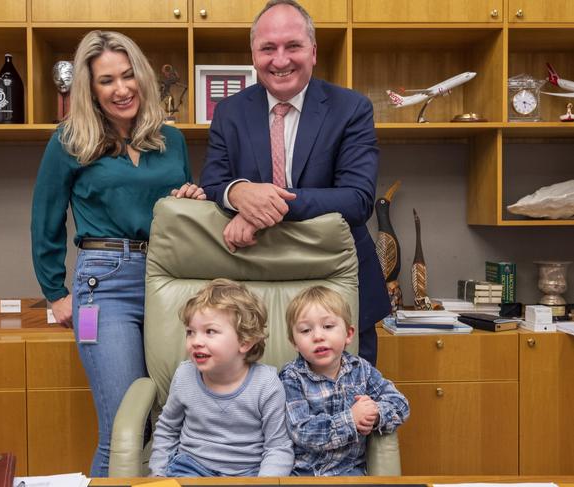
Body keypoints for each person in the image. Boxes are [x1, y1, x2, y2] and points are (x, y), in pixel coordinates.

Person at [30, 30, 205, 477]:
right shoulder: (69, 139)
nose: (121, 89)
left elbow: (177, 216)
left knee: (173, 422)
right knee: (124, 429)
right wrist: (55, 292)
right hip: (103, 283)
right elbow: (45, 218)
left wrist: (190, 198)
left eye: (129, 76)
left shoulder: (170, 139)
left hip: (168, 281)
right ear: (90, 89)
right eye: (107, 80)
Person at [199, 0, 389, 366]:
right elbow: (213, 183)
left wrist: (262, 207)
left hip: (338, 286)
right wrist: (239, 192)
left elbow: (357, 199)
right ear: (254, 55)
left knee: (347, 411)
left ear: (313, 52)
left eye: (293, 46)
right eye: (268, 48)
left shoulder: (351, 108)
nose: (280, 59)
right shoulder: (229, 111)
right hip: (256, 286)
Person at [149, 278, 294, 477]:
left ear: (245, 341)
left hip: (247, 475)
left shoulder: (266, 384)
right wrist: (158, 475)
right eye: (190, 332)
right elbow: (167, 430)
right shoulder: (184, 375)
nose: (196, 341)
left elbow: (278, 448)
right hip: (190, 469)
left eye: (210, 331)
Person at [279, 286, 409, 476]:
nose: (318, 336)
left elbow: (401, 404)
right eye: (306, 330)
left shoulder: (361, 370)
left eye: (328, 326)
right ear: (294, 342)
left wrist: (375, 414)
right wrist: (351, 420)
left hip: (350, 474)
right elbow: (302, 432)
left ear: (348, 334)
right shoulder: (291, 377)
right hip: (305, 475)